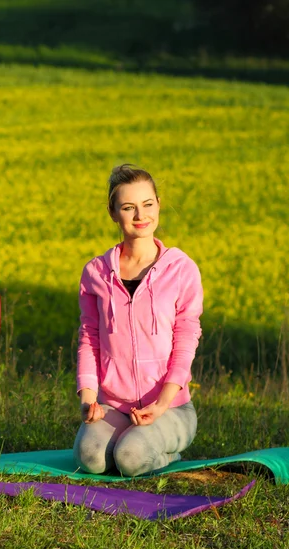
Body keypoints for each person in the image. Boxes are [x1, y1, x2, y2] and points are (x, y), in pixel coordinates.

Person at [73, 164, 203, 477]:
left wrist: (162, 403)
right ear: (112, 212)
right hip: (114, 405)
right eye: (128, 207)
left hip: (171, 408)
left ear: (158, 204)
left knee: (131, 458)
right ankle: (125, 442)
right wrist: (88, 399)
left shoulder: (181, 269)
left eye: (147, 204)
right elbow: (90, 338)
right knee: (88, 459)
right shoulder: (95, 273)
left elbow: (186, 339)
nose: (140, 215)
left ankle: (169, 455)